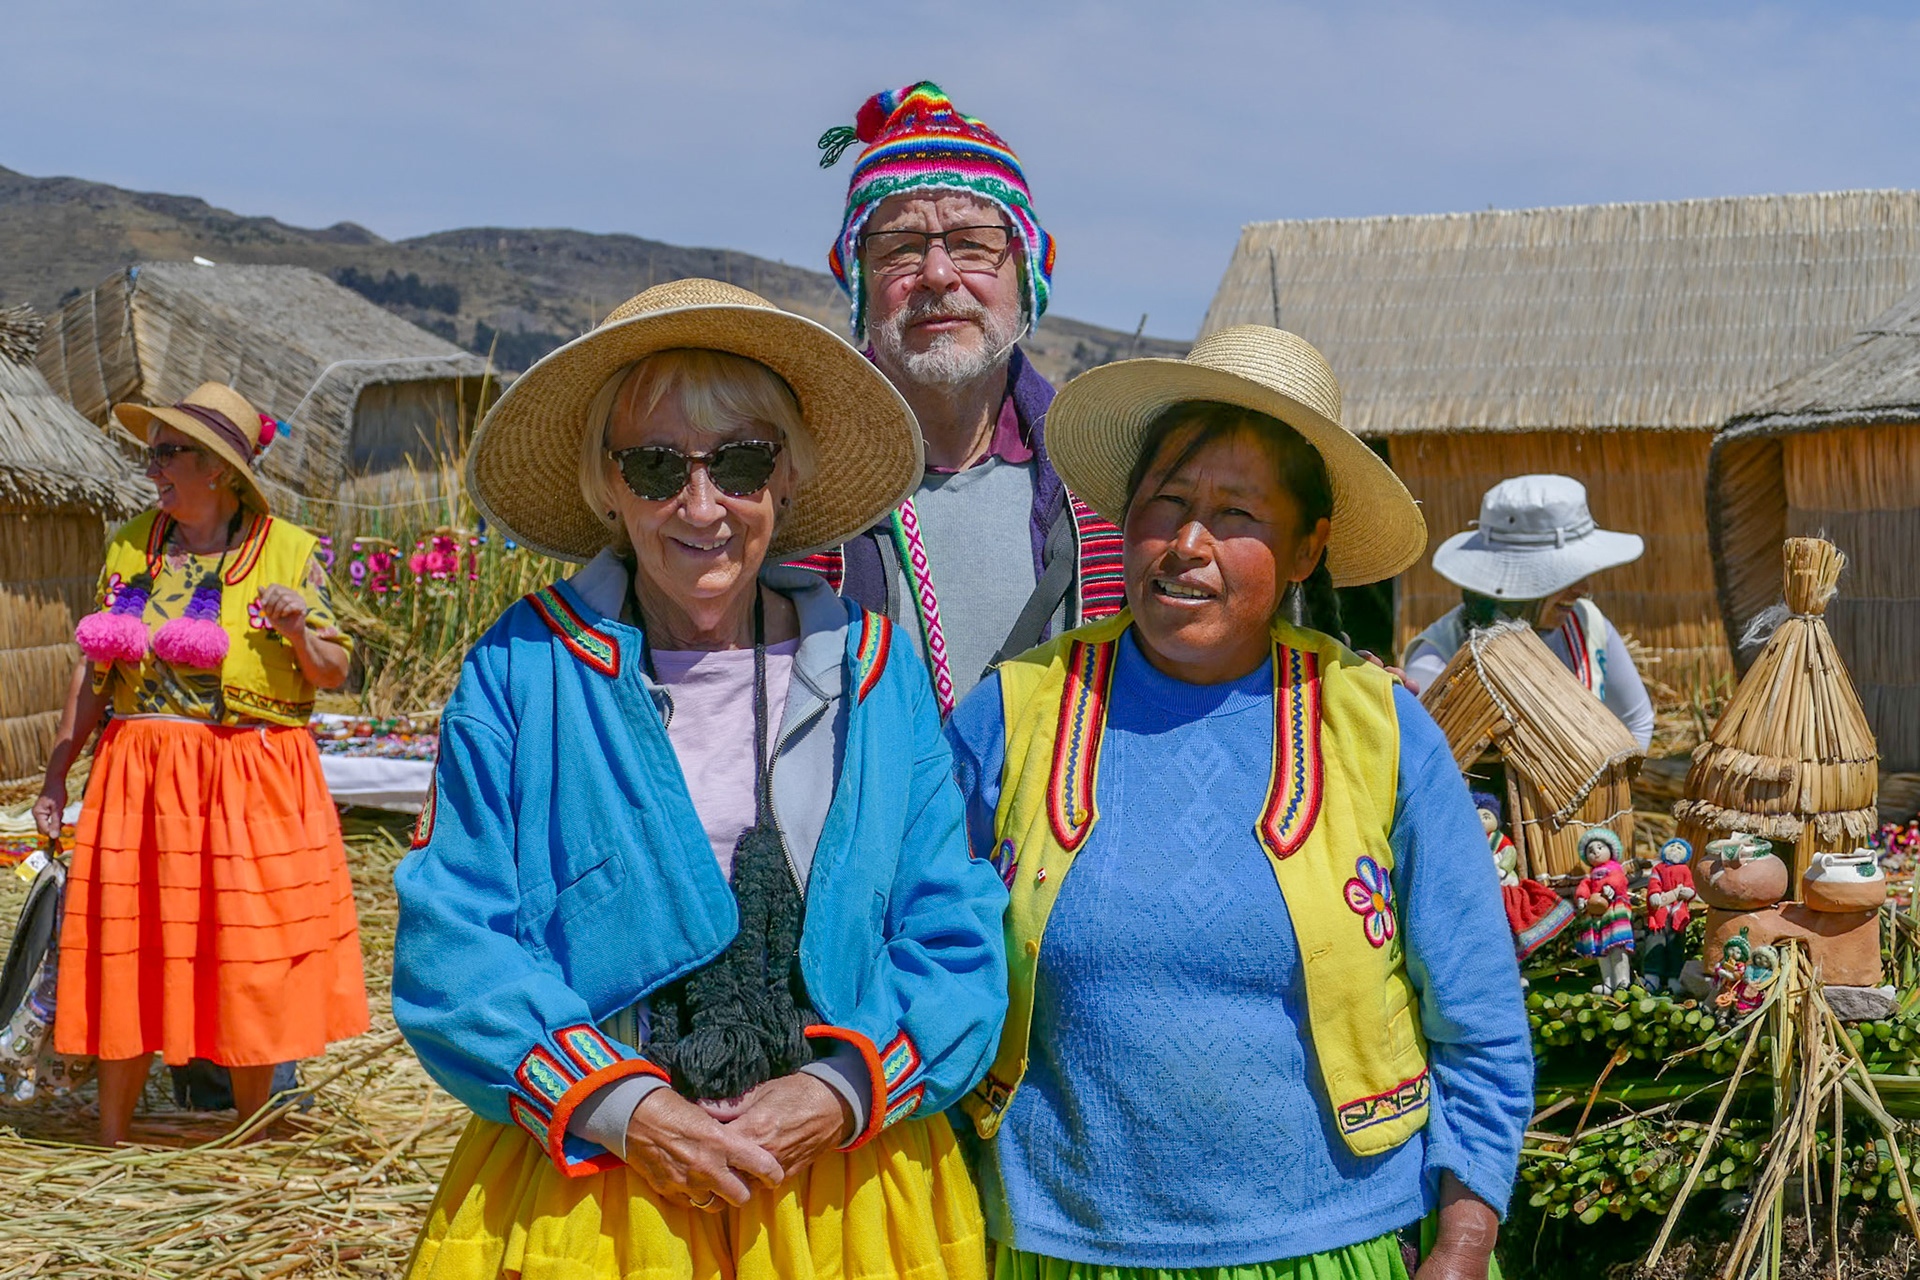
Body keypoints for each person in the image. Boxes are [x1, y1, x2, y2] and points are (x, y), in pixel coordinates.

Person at [393, 278, 1008, 1280]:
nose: (702, 503)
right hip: (602, 1186)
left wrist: (842, 1088)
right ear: (606, 485)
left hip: (842, 1188)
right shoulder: (524, 669)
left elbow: (953, 919)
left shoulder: (876, 668)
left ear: (787, 478)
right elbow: (453, 938)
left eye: (741, 461)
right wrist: (625, 1108)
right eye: (654, 466)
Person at [948, 327, 1532, 1280]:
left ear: (1307, 548)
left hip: (1329, 1243)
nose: (1188, 545)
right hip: (1057, 1242)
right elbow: (925, 949)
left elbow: (1478, 1015)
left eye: (1235, 515)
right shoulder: (1015, 716)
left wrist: (1464, 1235)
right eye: (1165, 506)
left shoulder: (1377, 732)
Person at [33, 381, 366, 1145]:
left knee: (243, 950)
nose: (153, 467)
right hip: (139, 776)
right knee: (134, 943)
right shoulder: (130, 545)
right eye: (153, 452)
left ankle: (248, 1137)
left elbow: (332, 672)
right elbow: (92, 669)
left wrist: (293, 631)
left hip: (247, 777)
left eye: (168, 453)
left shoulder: (288, 552)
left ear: (216, 467)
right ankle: (112, 1135)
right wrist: (57, 772)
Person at [801, 81, 1125, 716]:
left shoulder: (1105, 489)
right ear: (861, 283)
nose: (939, 274)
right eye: (899, 248)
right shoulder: (792, 480)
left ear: (1027, 276)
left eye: (974, 243)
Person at [1401, 475, 1654, 748]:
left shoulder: (1588, 626)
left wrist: (1615, 785)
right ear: (1517, 584)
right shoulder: (1440, 661)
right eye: (1566, 576)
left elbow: (1636, 723)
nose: (1584, 588)